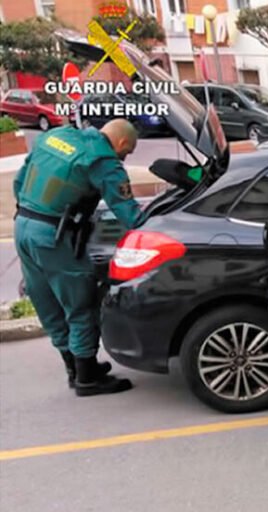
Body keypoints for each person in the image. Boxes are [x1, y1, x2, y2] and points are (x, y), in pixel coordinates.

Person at [13, 119, 143, 396]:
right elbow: (129, 213)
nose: (125, 157)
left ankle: (75, 368)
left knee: (47, 301)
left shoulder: (56, 135)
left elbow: (19, 181)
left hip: (23, 226)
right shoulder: (102, 160)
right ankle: (87, 378)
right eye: (128, 151)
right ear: (121, 144)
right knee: (80, 302)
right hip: (53, 237)